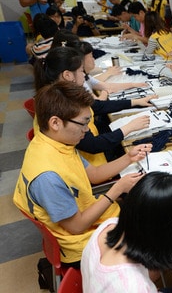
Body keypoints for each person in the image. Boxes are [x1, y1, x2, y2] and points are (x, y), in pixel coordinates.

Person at [13, 80, 151, 267]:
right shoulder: (48, 176)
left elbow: (93, 174)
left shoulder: (55, 143)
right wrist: (117, 189)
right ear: (55, 122)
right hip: (79, 244)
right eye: (83, 123)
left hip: (85, 220)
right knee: (155, 239)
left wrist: (128, 158)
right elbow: (77, 227)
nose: (87, 130)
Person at [34, 46, 154, 165]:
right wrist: (129, 127)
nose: (84, 75)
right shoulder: (61, 104)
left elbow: (97, 106)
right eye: (81, 71)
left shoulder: (57, 95)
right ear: (67, 75)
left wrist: (135, 102)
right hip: (94, 163)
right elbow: (93, 145)